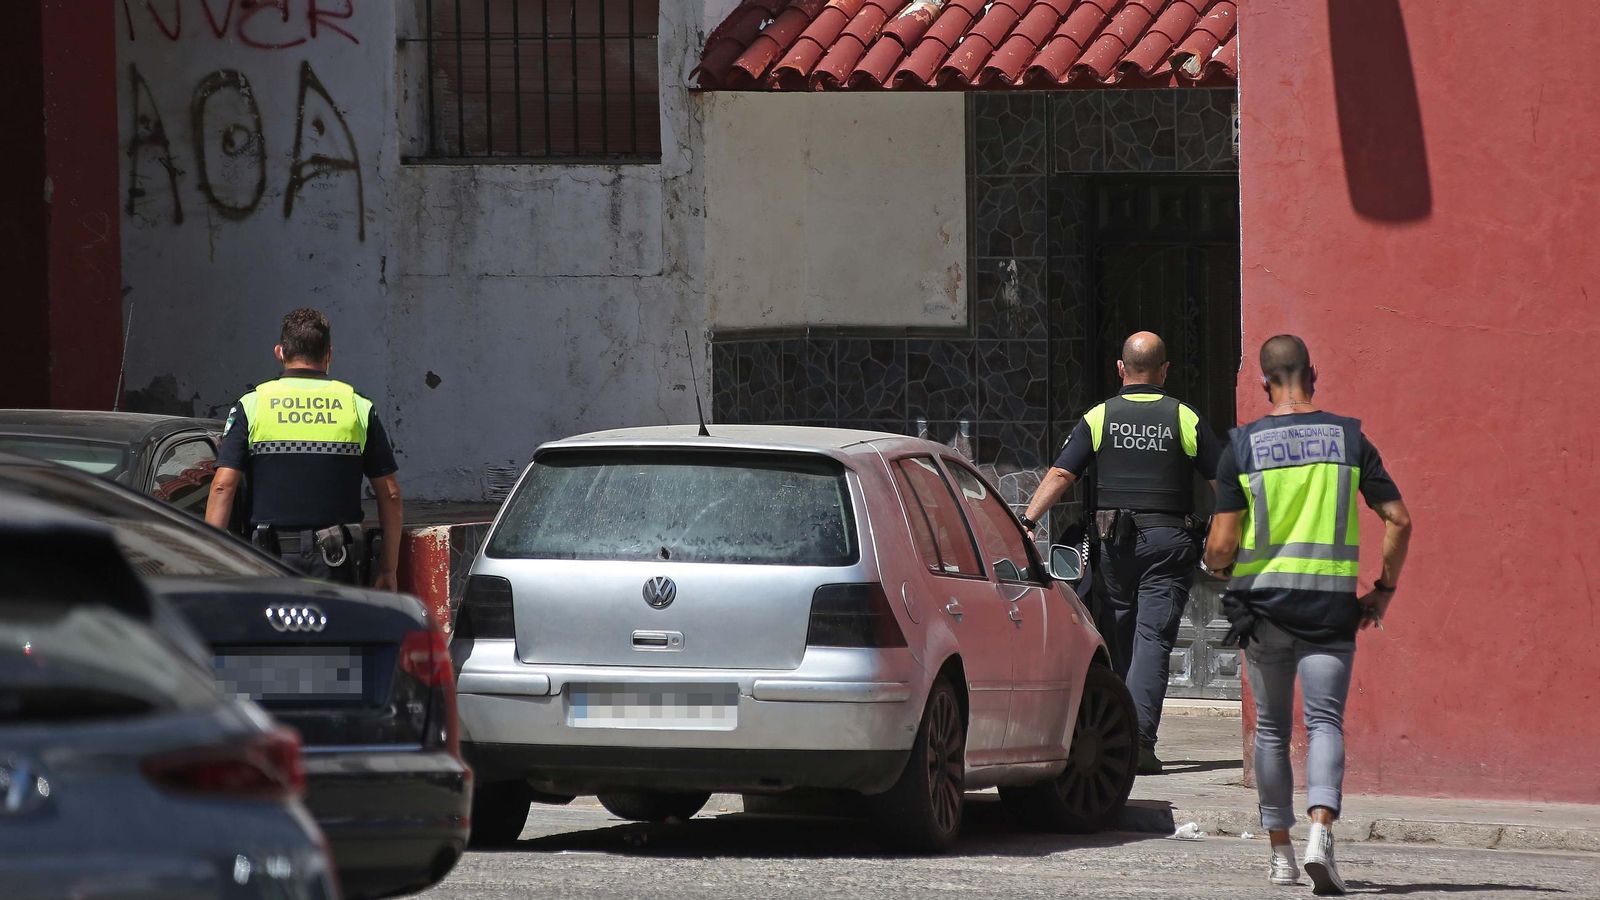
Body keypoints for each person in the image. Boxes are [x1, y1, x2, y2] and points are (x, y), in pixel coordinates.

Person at [1201, 334, 1412, 895]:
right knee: (1325, 724)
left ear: (1264, 381)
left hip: (1264, 608)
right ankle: (1322, 832)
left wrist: (1219, 565)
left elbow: (1221, 546)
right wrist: (1383, 590)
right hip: (1329, 609)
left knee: (1270, 729)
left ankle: (1280, 855)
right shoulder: (1349, 440)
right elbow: (1399, 519)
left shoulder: (1241, 447)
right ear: (1311, 374)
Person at [1020, 331, 1222, 774]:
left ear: (1120, 368)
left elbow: (1060, 473)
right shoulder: (1184, 417)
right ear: (1164, 371)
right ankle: (1139, 745)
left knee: (1117, 636)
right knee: (1152, 640)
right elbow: (1222, 484)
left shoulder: (1100, 417)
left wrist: (1028, 521)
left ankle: (1115, 739)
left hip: (1112, 544)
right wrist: (1228, 541)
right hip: (1169, 545)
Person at [205, 308, 403, 589]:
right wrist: (388, 569)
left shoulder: (253, 404)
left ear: (280, 352)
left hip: (267, 560)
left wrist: (211, 565)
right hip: (337, 563)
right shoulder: (357, 406)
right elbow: (391, 494)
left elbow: (223, 486)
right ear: (329, 354)